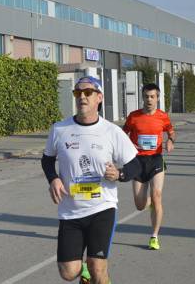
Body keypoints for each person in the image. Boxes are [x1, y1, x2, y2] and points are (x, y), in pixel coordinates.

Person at [41, 76, 141, 284]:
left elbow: (135, 164)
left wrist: (120, 174)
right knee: (68, 272)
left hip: (102, 207)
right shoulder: (59, 129)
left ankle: (95, 272)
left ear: (99, 97)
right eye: (78, 93)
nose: (82, 97)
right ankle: (84, 272)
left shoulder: (112, 131)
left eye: (88, 93)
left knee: (97, 267)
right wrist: (53, 179)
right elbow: (47, 159)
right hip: (70, 211)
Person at [123, 83, 175, 250]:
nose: (149, 100)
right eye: (146, 96)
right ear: (142, 97)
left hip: (155, 160)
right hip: (137, 162)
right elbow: (123, 135)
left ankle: (154, 236)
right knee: (139, 205)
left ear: (158, 98)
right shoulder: (133, 116)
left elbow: (171, 131)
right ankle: (151, 202)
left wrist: (170, 140)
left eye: (152, 96)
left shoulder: (163, 116)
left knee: (157, 195)